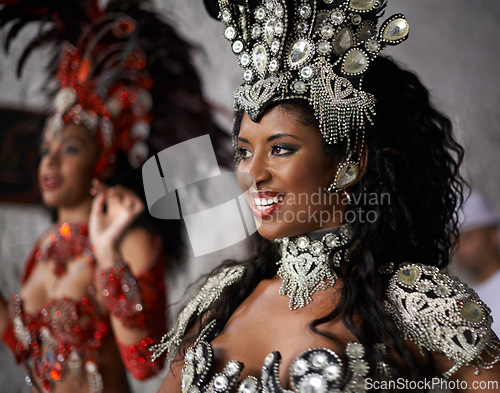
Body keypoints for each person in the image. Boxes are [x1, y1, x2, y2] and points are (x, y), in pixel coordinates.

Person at [153, 1, 500, 392]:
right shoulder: (220, 301)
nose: (252, 174)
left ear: (350, 159)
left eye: (280, 148)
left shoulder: (418, 304)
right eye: (243, 152)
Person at [0, 1, 230, 392]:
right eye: (46, 150)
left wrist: (107, 257)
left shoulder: (131, 240)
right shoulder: (45, 246)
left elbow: (145, 363)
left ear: (104, 160)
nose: (50, 161)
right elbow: (25, 346)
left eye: (69, 149)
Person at [455, 190, 500, 336]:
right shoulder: (463, 299)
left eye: (468, 237)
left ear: (494, 235)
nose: (459, 247)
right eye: (454, 240)